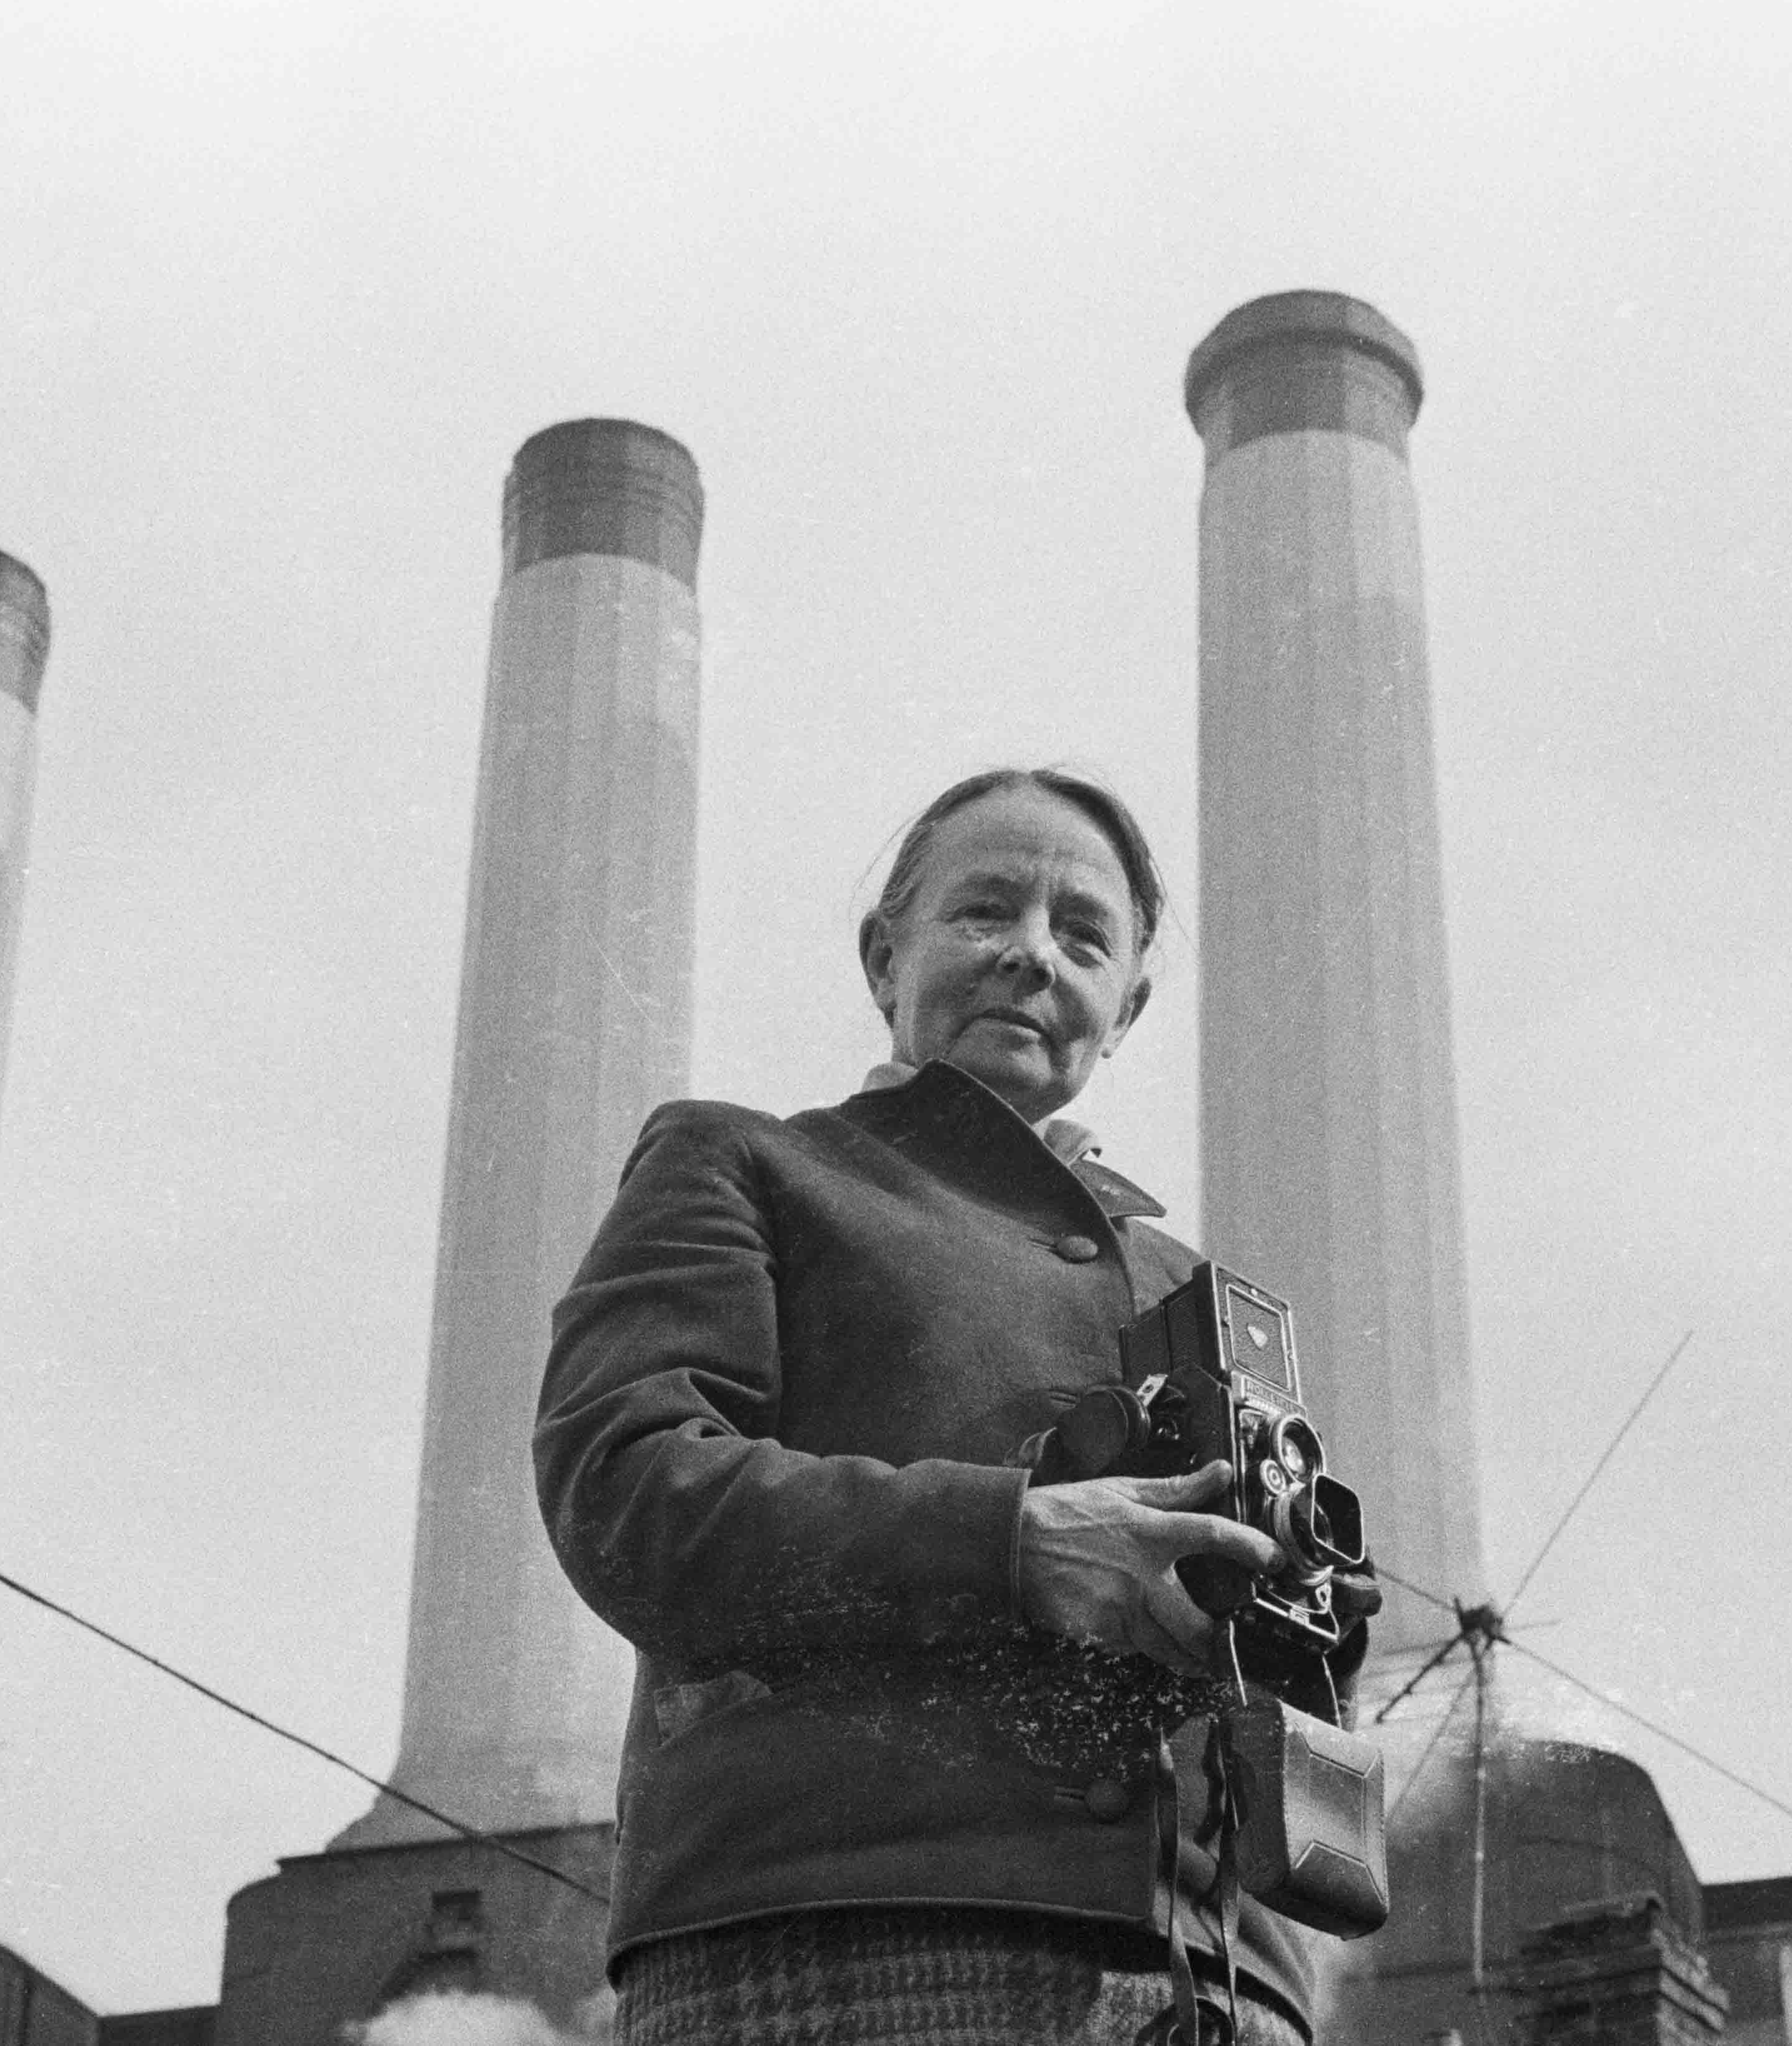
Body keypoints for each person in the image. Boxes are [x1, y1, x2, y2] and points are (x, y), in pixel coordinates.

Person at [534, 768, 1371, 2045]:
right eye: (986, 912)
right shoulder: (749, 1163)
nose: (1034, 958)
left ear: (1128, 1003)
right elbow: (626, 1494)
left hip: (1220, 1980)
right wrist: (1019, 1543)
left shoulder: (1195, 1288)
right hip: (865, 1939)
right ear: (886, 954)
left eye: (1084, 936)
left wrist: (1302, 1612)